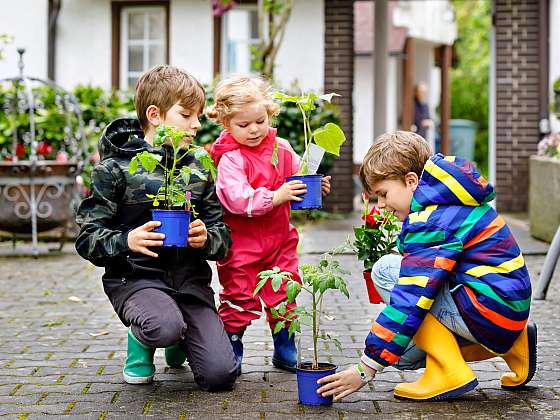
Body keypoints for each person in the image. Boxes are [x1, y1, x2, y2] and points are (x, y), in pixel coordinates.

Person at [317, 131, 536, 401]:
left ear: (411, 181)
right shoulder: (453, 200)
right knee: (403, 356)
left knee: (387, 270)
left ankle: (450, 372)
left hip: (488, 311)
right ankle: (515, 345)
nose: (381, 205)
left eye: (383, 194)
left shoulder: (431, 220)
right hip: (505, 313)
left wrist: (366, 369)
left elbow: (412, 297)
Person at [75, 65, 238, 390]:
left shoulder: (198, 166)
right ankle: (147, 339)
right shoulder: (115, 169)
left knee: (221, 375)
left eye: (198, 116)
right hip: (136, 280)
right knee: (163, 326)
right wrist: (127, 240)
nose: (196, 124)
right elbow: (87, 238)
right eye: (187, 115)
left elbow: (223, 237)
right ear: (155, 114)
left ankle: (179, 337)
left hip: (189, 284)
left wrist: (206, 237)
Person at [208, 75, 331, 375]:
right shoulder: (231, 159)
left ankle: (284, 344)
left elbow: (298, 176)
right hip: (242, 245)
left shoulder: (282, 147)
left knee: (285, 291)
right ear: (226, 124)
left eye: (260, 121)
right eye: (243, 125)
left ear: (270, 114)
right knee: (239, 294)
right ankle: (233, 344)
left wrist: (314, 186)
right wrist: (276, 196)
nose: (254, 130)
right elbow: (236, 198)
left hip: (279, 240)